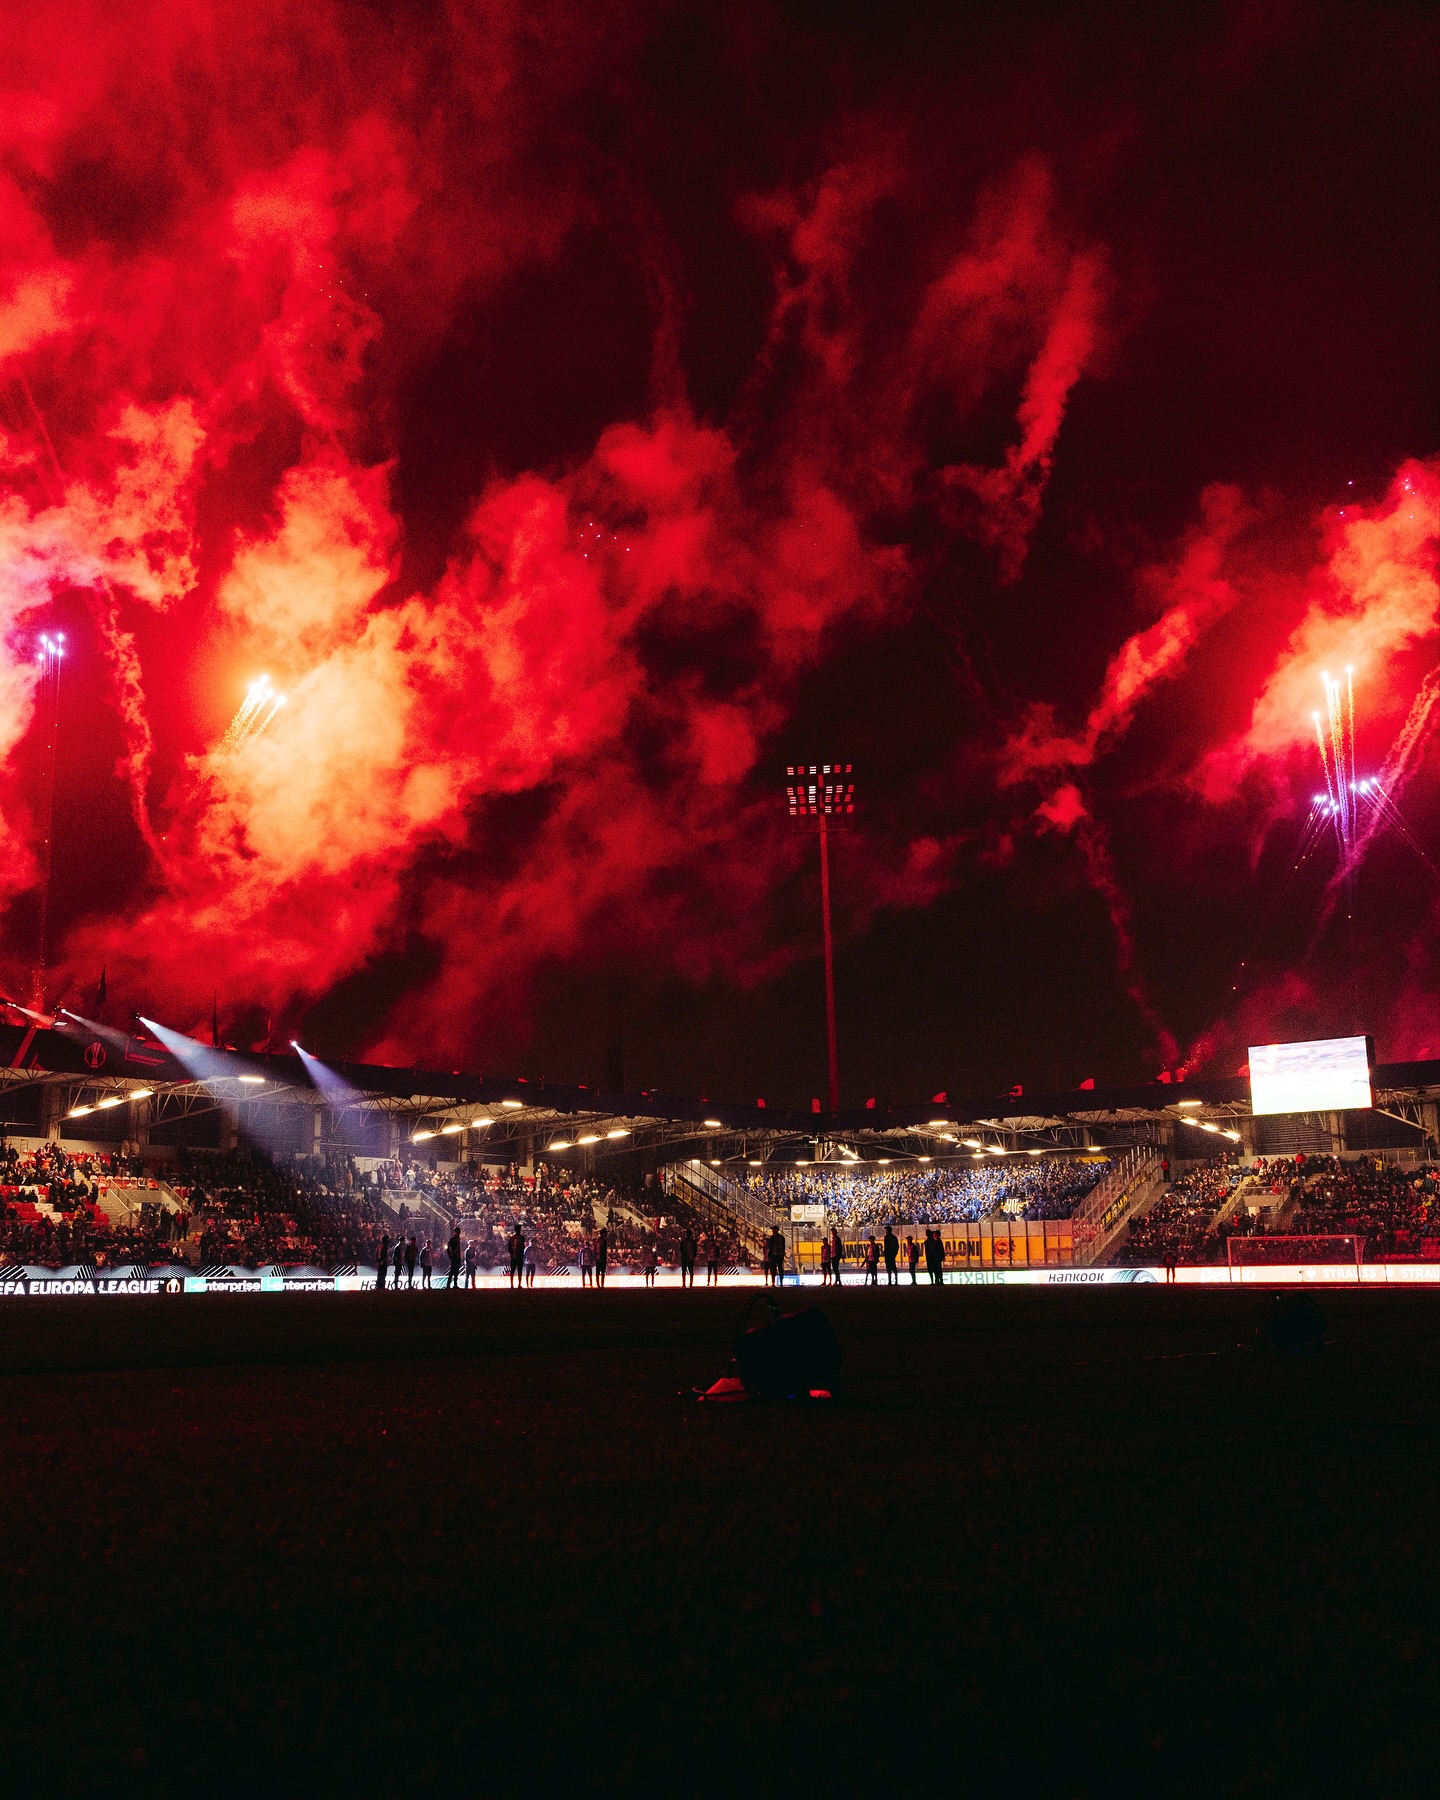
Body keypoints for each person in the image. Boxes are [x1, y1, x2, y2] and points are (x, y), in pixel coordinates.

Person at [595, 1225, 608, 1289]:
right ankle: (601, 1284)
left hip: (598, 1258)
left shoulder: (597, 1240)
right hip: (602, 1258)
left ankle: (598, 1284)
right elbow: (603, 1250)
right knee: (602, 1272)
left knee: (598, 1272)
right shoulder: (604, 1240)